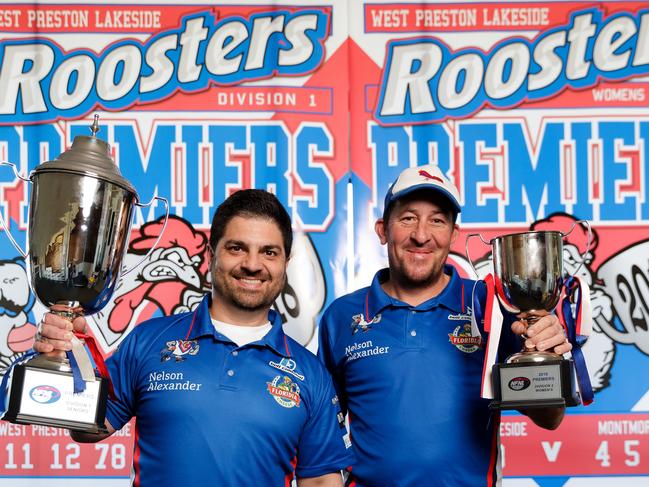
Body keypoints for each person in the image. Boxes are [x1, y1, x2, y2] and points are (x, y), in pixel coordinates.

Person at [35, 189, 354, 486]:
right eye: (237, 248)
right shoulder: (148, 341)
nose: (253, 265)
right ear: (212, 254)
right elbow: (86, 430)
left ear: (285, 263)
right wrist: (66, 356)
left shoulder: (311, 374)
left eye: (269, 252)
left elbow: (321, 480)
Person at [317, 164, 573, 486]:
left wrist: (544, 353)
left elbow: (549, 418)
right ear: (383, 230)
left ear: (453, 235)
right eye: (408, 217)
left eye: (437, 220)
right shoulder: (342, 316)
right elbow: (320, 430)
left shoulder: (492, 308)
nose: (421, 235)